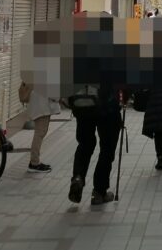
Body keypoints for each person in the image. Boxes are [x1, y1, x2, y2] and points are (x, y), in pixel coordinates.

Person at [67, 77, 123, 206]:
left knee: (85, 144)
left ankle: (78, 177)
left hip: (83, 105)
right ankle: (99, 192)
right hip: (107, 107)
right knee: (107, 148)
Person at [24, 85, 61, 173]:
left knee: (40, 133)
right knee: (39, 134)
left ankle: (34, 161)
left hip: (39, 105)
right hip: (42, 107)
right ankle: (34, 163)